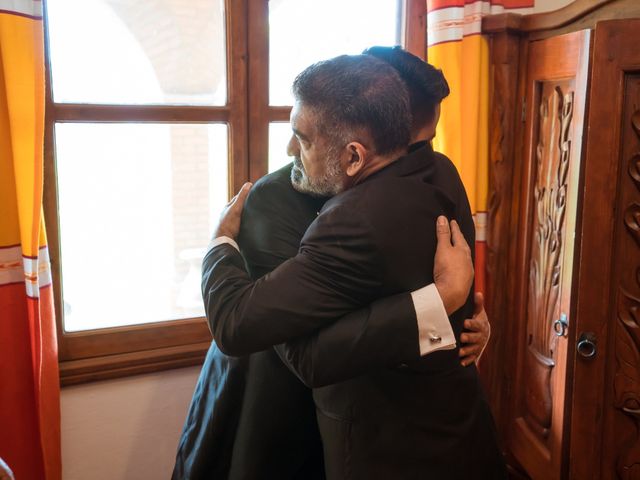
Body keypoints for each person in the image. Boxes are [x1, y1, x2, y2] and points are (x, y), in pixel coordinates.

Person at [172, 48, 490, 479]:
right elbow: (290, 342)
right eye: (415, 145)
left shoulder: (432, 172)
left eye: (424, 146)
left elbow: (427, 265)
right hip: (279, 406)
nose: (418, 162)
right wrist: (439, 303)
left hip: (389, 419)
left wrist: (464, 318)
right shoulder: (276, 201)